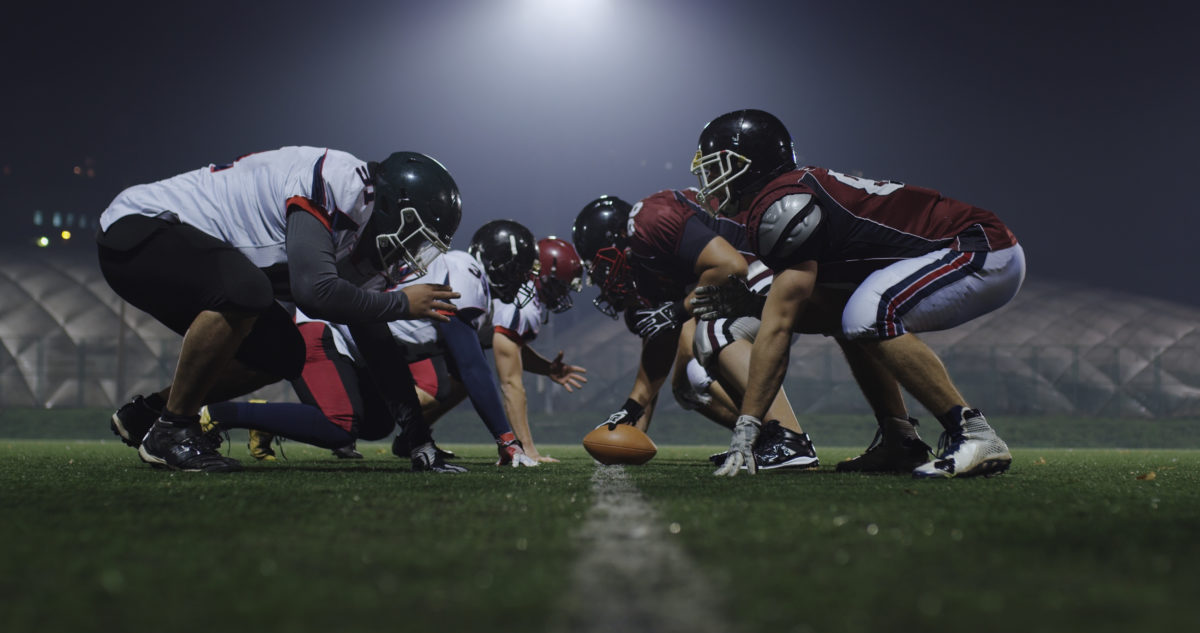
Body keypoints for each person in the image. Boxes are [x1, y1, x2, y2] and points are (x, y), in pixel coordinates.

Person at [693, 109, 1024, 478]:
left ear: (750, 164)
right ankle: (901, 441)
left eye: (716, 167)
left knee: (867, 311)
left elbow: (779, 327)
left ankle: (974, 433)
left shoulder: (783, 205)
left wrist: (748, 425)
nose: (710, 180)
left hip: (979, 247)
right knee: (852, 316)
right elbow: (823, 312)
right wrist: (757, 303)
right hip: (963, 248)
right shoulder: (790, 194)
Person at [99, 147, 462, 473]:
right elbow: (314, 292)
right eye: (415, 234)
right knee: (247, 291)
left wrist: (418, 438)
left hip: (181, 251)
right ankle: (174, 428)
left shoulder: (360, 237)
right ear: (392, 207)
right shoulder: (337, 182)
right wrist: (401, 303)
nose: (413, 251)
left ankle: (148, 415)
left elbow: (374, 338)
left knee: (284, 352)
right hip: (140, 228)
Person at [199, 220, 549, 470]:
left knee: (377, 423)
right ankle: (217, 415)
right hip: (326, 329)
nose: (524, 281)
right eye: (520, 271)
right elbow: (473, 367)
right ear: (498, 263)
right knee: (340, 424)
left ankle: (263, 418)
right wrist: (506, 439)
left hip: (362, 344)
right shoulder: (465, 272)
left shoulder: (475, 290)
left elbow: (467, 366)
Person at [572, 192, 818, 470]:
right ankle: (768, 440)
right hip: (746, 286)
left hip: (767, 267)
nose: (604, 277)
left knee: (715, 332)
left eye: (603, 264)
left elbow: (730, 266)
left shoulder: (648, 219)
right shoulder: (646, 271)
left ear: (620, 238)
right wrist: (632, 408)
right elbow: (660, 346)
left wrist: (678, 310)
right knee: (703, 353)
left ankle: (789, 438)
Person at [401, 237, 589, 463]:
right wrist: (527, 449)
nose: (562, 294)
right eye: (561, 285)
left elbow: (511, 346)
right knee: (439, 388)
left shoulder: (519, 294)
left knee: (461, 382)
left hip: (438, 331)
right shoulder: (525, 304)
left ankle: (413, 435)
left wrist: (547, 368)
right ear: (544, 277)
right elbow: (511, 383)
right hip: (422, 330)